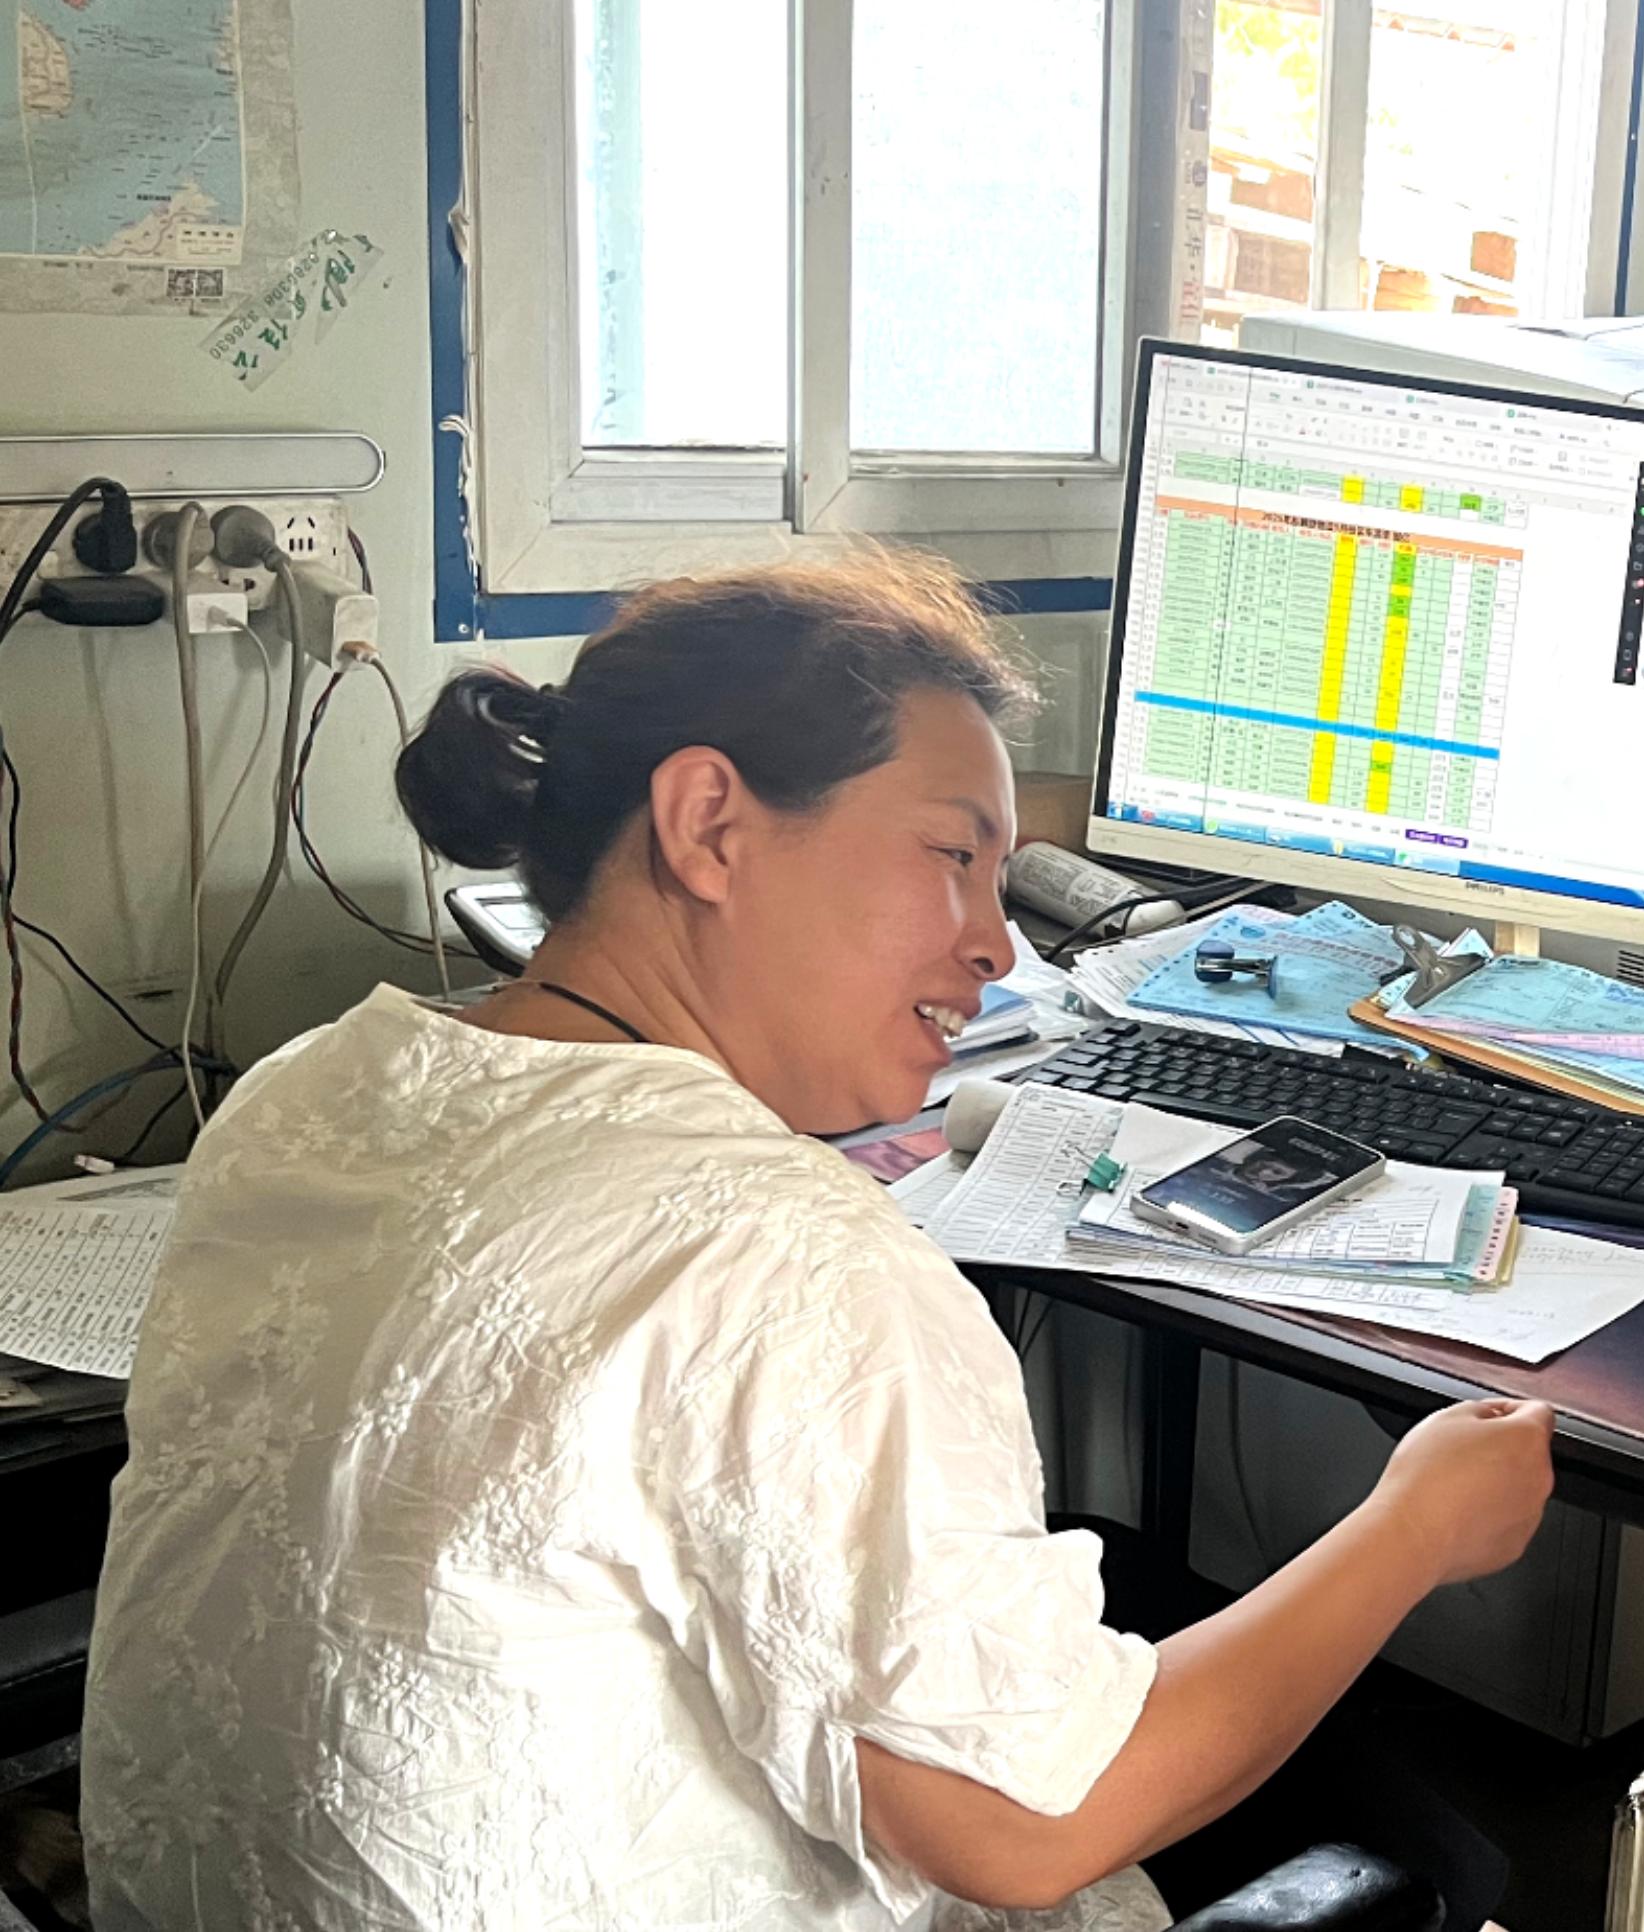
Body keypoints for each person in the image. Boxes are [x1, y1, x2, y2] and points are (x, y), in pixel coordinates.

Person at [82, 554, 1554, 1932]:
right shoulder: (775, 1256)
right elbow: (1027, 1824)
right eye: (951, 855)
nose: (997, 945)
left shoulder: (312, 1086)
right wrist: (1413, 1526)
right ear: (708, 826)